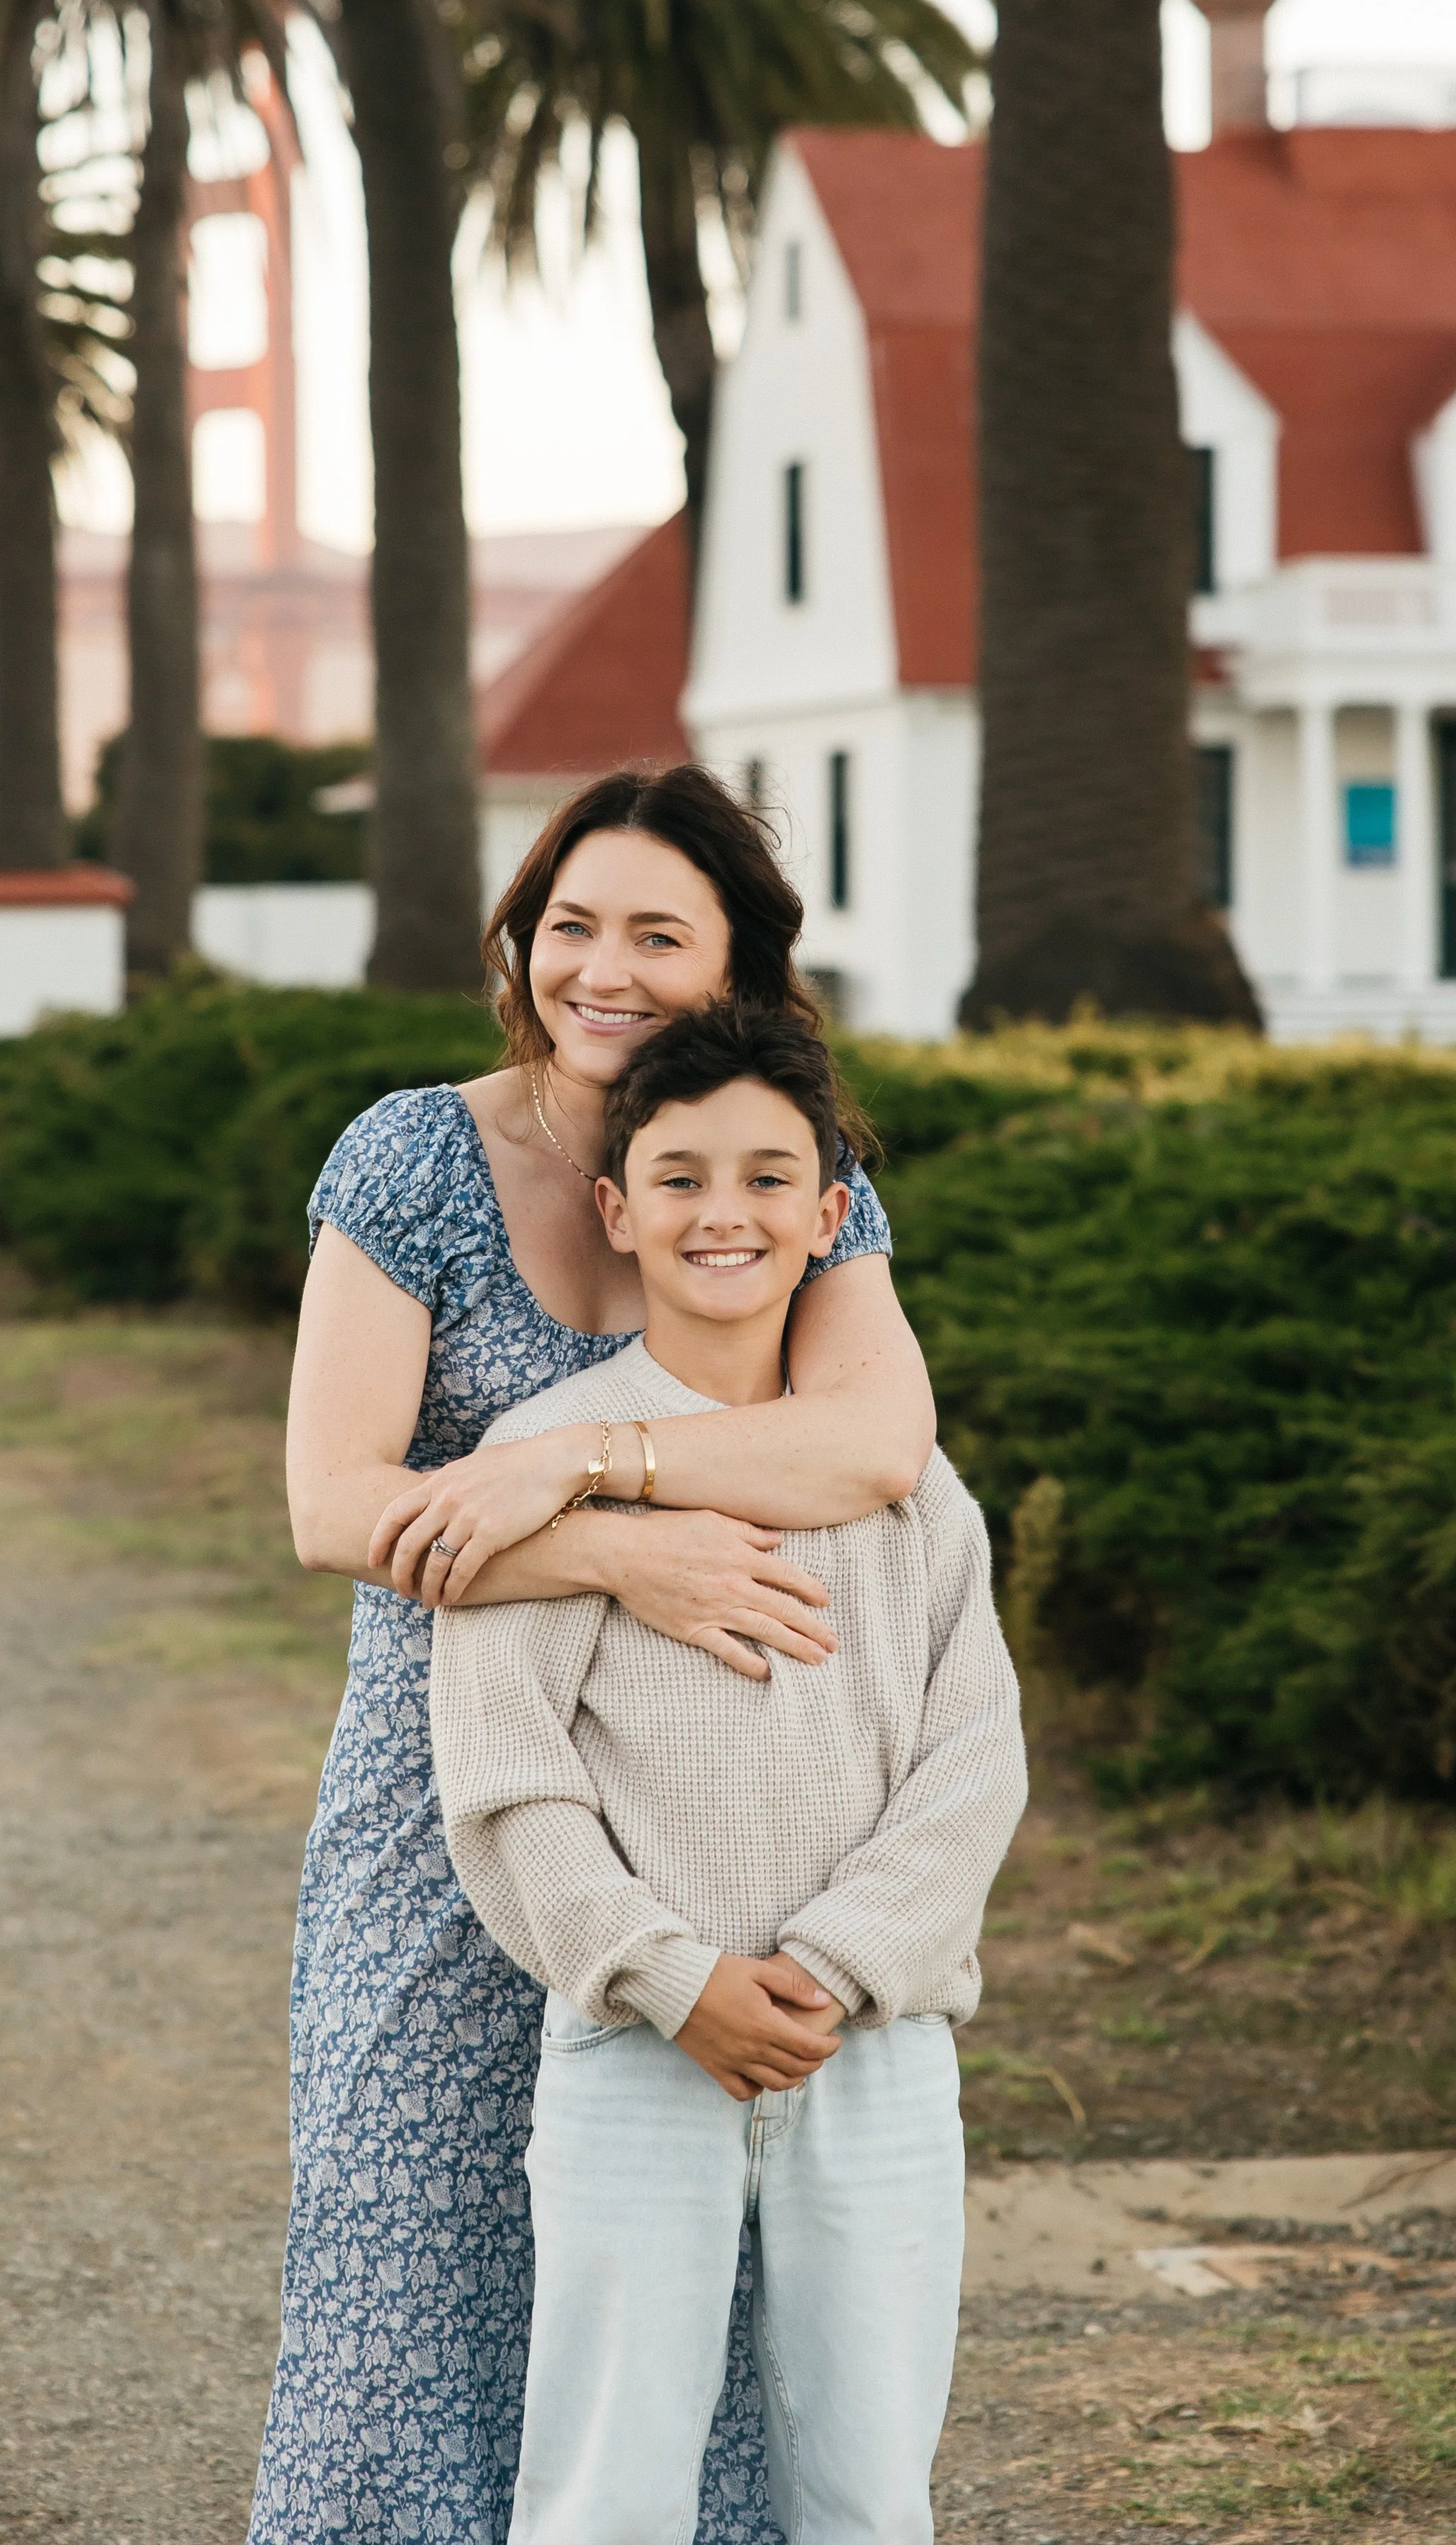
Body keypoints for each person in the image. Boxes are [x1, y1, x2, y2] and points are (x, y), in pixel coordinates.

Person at [247, 765, 938, 2545]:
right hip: (451, 1805)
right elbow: (336, 1505)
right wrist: (619, 1556)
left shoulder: (789, 1176)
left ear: (737, 969)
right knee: (410, 2290)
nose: (602, 969)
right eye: (570, 925)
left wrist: (565, 1456)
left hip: (716, 1829)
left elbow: (868, 1446)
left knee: (667, 2320)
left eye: (658, 933)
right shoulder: (412, 1157)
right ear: (521, 940)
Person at [429, 1005, 1027, 2545]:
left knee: (866, 2488)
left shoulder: (893, 1471)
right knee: (603, 2489)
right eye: (680, 1177)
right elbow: (506, 1782)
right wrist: (665, 1976)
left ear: (829, 1218)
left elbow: (973, 1755)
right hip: (635, 2049)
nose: (724, 1213)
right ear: (617, 1213)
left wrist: (835, 1966)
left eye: (768, 1178)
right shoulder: (536, 1455)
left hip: (872, 2048)